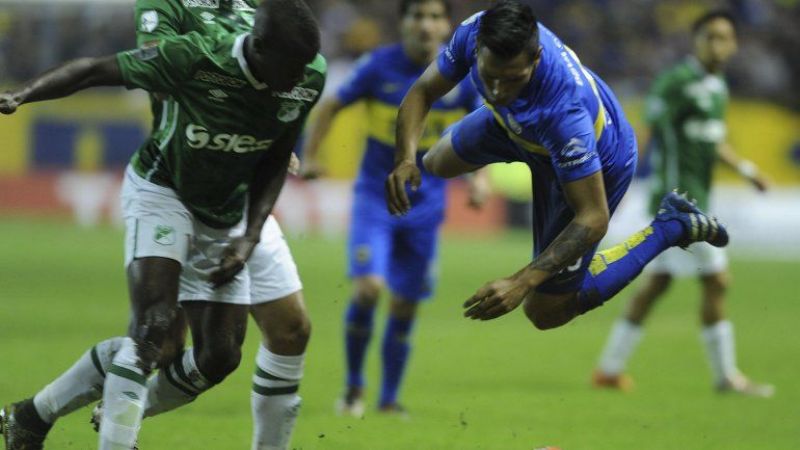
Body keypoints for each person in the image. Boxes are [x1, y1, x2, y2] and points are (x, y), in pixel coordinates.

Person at [0, 1, 325, 449]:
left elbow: (275, 155)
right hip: (166, 188)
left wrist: (249, 237)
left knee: (221, 354)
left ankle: (34, 415)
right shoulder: (194, 50)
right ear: (261, 50)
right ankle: (118, 437)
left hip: (234, 204)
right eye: (290, 67)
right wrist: (22, 94)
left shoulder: (304, 69)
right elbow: (97, 71)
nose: (297, 77)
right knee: (154, 327)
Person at [386, 0, 729, 331]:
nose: (496, 90)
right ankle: (564, 260)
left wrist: (521, 281)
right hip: (519, 128)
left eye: (512, 78)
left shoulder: (564, 114)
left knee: (545, 311)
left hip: (597, 156)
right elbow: (422, 92)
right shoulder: (475, 31)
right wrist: (403, 160)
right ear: (477, 49)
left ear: (535, 59)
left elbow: (593, 219)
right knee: (434, 161)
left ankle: (671, 227)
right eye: (489, 76)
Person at [302, 0, 485, 417]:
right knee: (369, 289)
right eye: (417, 16)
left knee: (404, 304)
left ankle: (388, 400)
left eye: (435, 16)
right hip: (375, 198)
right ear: (402, 23)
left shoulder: (461, 76)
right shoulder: (377, 66)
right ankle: (352, 389)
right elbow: (331, 105)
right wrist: (311, 154)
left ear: (446, 26)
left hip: (427, 207)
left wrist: (480, 178)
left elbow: (483, 127)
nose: (426, 25)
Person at [592, 10, 773, 397]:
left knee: (657, 285)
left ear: (735, 44)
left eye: (725, 38)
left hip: (696, 200)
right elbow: (643, 132)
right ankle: (726, 376)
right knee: (717, 280)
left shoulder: (717, 86)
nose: (718, 45)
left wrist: (746, 168)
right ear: (696, 41)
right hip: (677, 205)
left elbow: (712, 140)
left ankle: (608, 368)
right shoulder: (677, 82)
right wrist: (614, 184)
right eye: (710, 37)